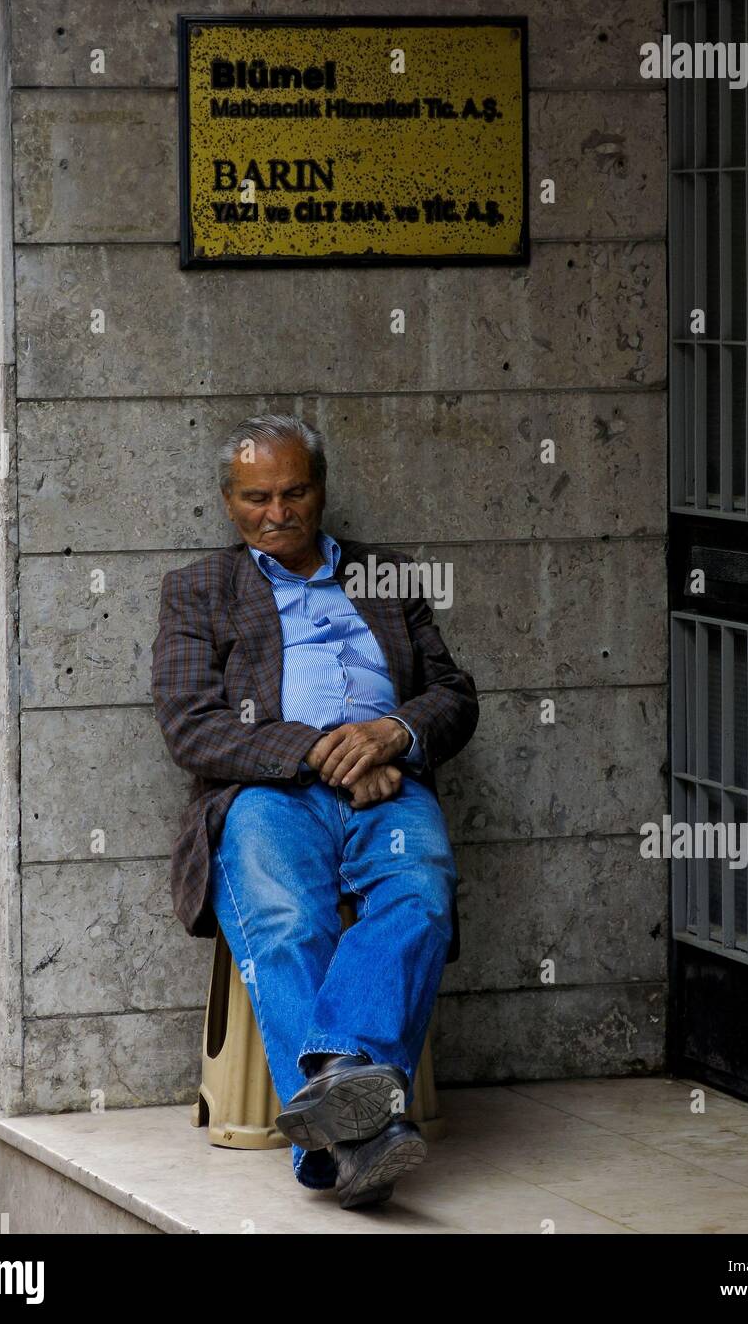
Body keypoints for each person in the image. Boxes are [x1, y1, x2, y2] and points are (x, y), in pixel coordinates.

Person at [150, 414, 479, 1208]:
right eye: (257, 497)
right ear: (230, 504)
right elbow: (192, 726)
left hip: (388, 786)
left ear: (321, 489)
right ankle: (361, 1132)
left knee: (420, 894)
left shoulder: (385, 574)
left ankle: (339, 1135)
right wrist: (318, 753)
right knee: (288, 921)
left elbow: (453, 696)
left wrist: (390, 735)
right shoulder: (200, 589)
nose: (278, 512)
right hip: (270, 793)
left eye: (294, 492)